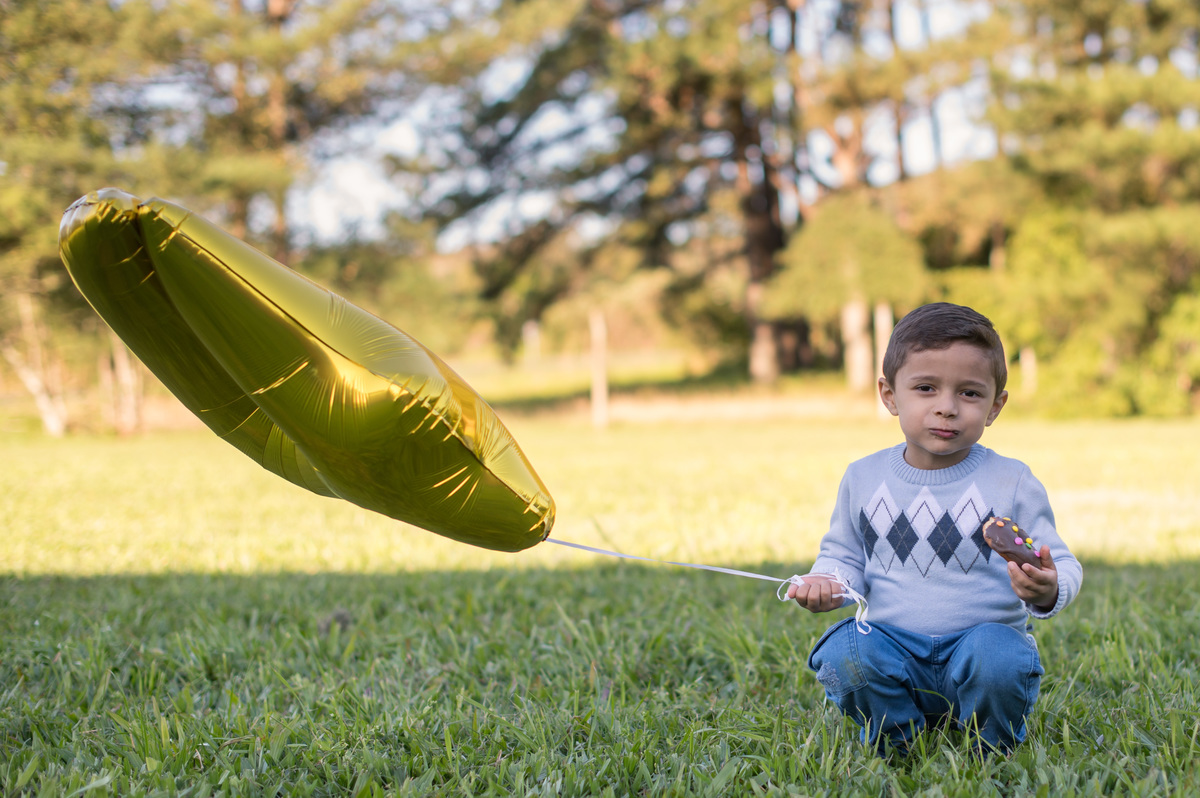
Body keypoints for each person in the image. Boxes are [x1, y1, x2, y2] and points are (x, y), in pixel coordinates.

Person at [787, 302, 1082, 756]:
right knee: (845, 649)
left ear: (995, 406)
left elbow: (1059, 561)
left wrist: (1047, 588)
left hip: (978, 645)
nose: (946, 408)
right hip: (892, 648)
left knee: (999, 654)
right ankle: (898, 742)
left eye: (969, 393)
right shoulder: (863, 478)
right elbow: (844, 557)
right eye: (926, 388)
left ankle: (991, 747)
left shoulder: (1012, 481)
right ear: (889, 395)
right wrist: (828, 583)